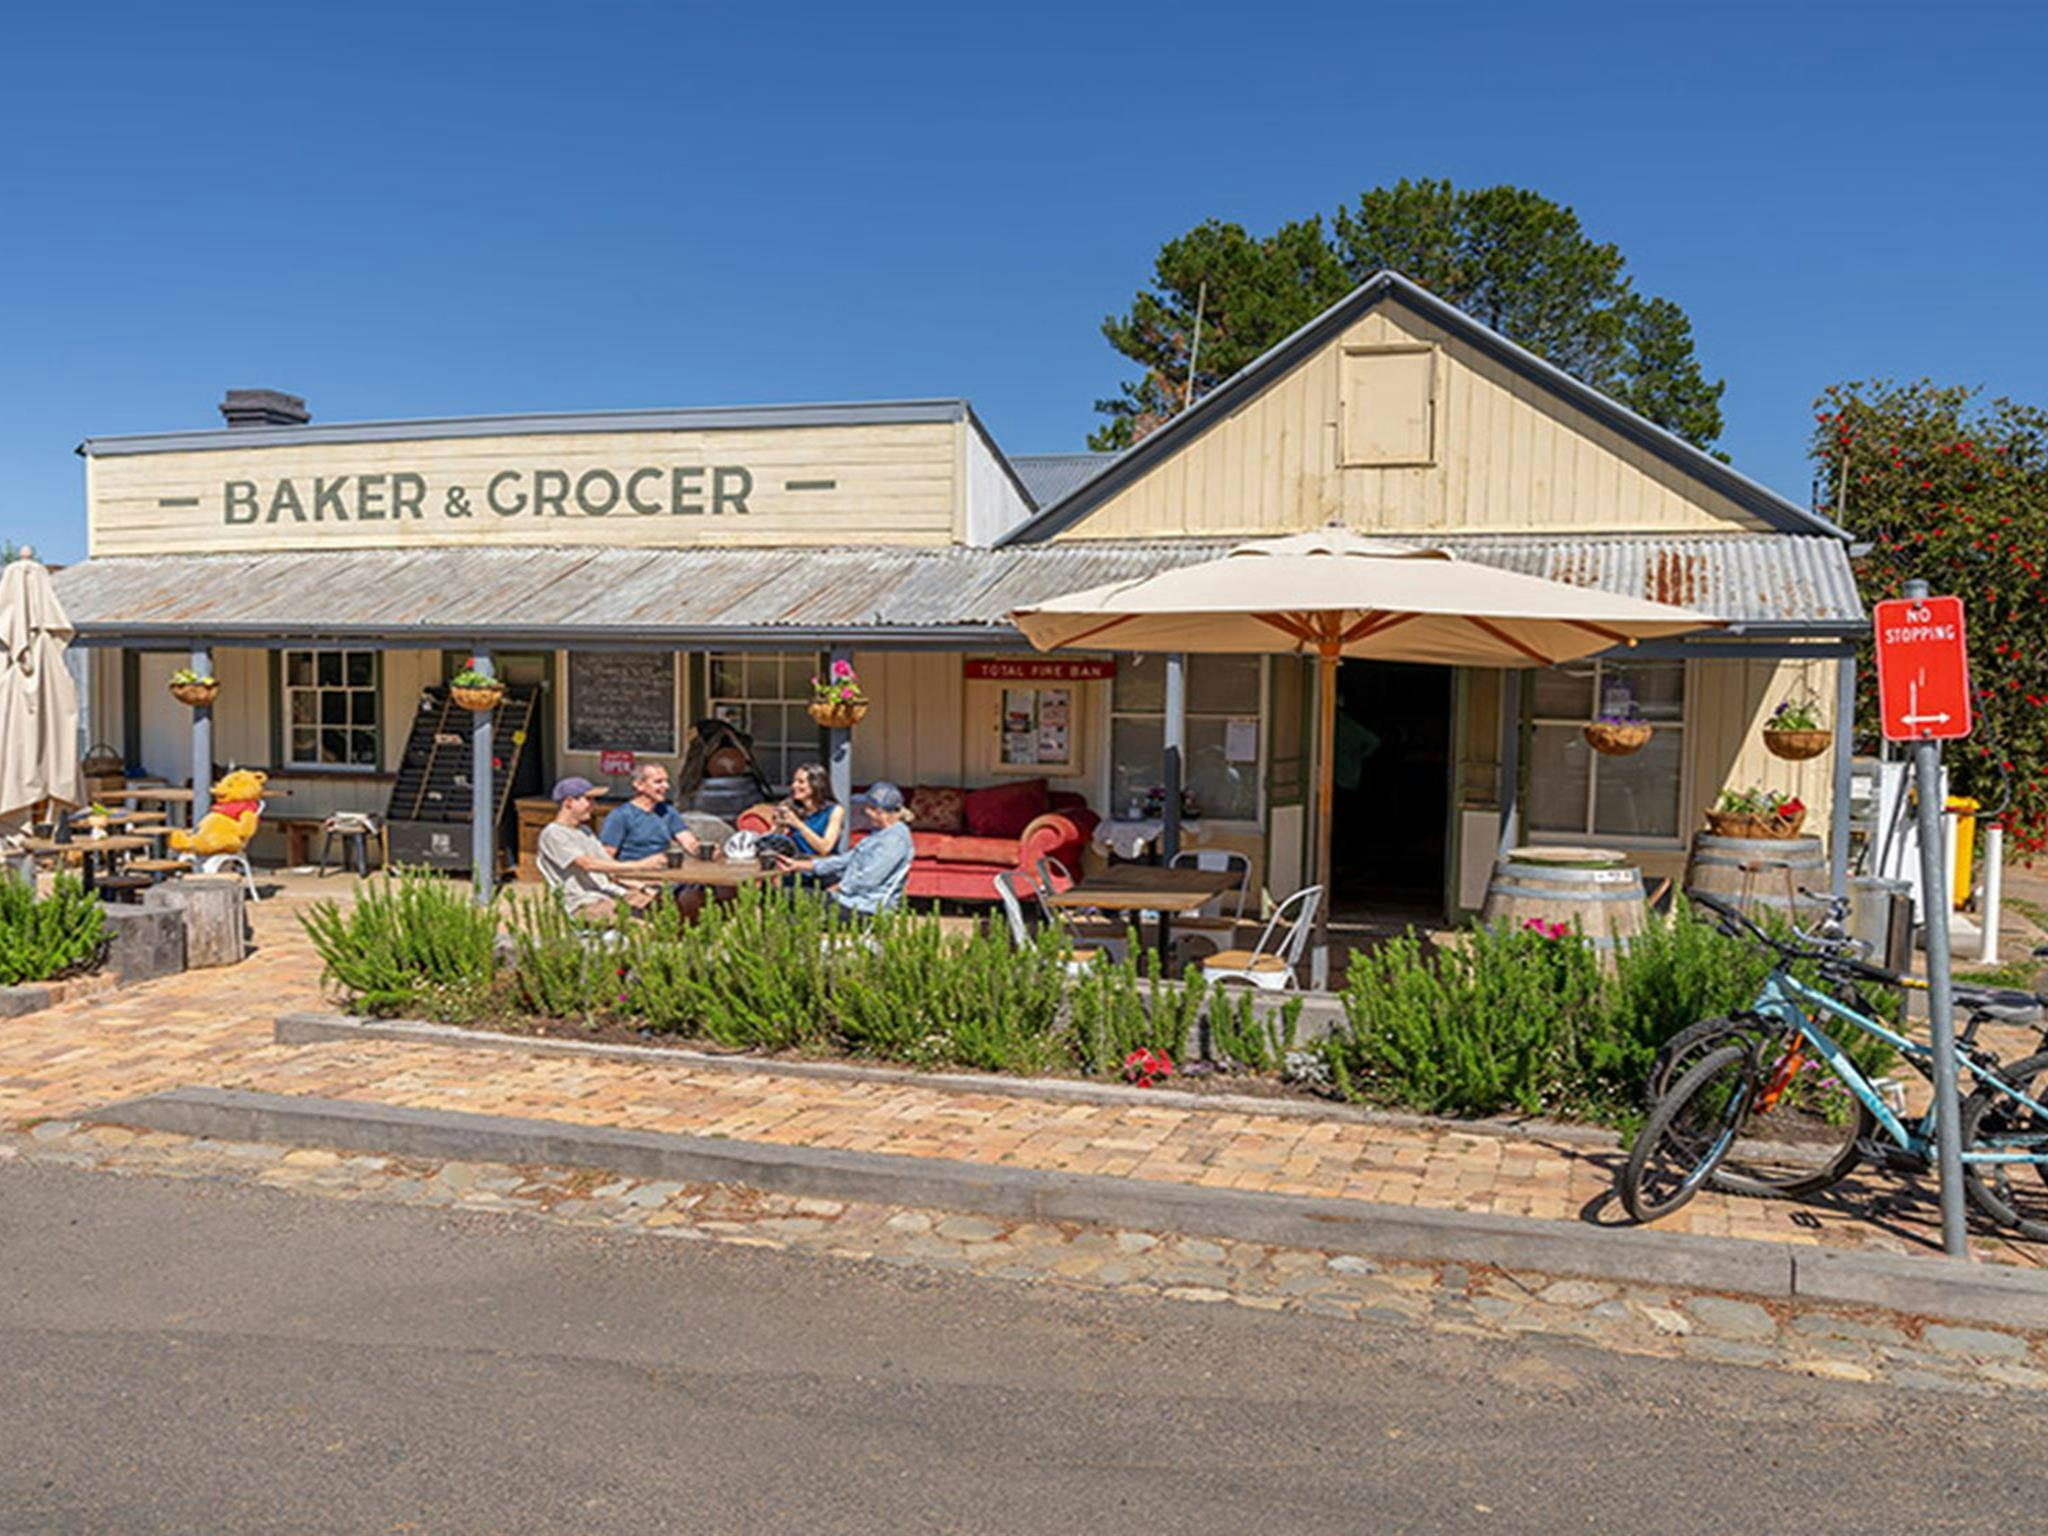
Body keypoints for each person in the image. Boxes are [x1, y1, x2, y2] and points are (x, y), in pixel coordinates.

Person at [776, 780, 913, 918]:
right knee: (786, 895)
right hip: (848, 900)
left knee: (790, 906)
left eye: (867, 808)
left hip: (863, 908)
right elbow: (843, 861)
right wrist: (797, 865)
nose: (864, 811)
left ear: (878, 812)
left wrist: (837, 888)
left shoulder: (895, 840)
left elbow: (869, 878)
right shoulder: (879, 834)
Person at [535, 777, 664, 921]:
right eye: (588, 799)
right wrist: (641, 865)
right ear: (569, 802)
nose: (593, 805)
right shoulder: (554, 834)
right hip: (585, 904)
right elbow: (587, 864)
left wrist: (642, 887)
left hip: (609, 895)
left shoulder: (584, 831)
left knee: (666, 907)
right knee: (646, 927)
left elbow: (609, 868)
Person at [599, 762, 704, 863]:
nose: (666, 786)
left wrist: (704, 850)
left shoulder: (667, 811)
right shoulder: (621, 816)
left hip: (664, 874)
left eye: (666, 781)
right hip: (633, 875)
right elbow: (607, 856)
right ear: (639, 785)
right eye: (658, 782)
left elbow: (688, 842)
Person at [771, 762, 845, 857]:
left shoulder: (834, 811)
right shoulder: (790, 807)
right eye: (794, 781)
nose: (794, 786)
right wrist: (778, 828)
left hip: (822, 866)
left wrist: (797, 824)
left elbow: (825, 848)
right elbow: (775, 841)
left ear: (816, 785)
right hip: (795, 865)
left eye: (801, 782)